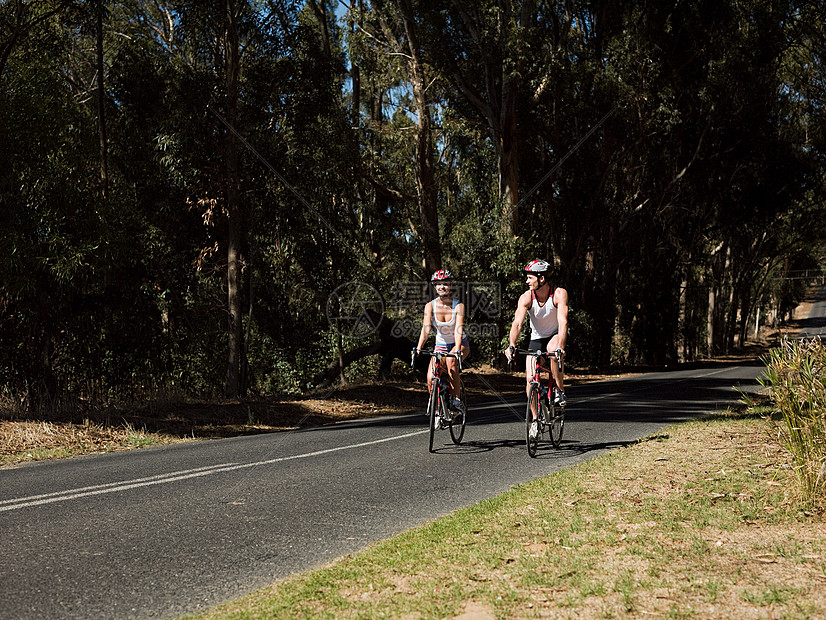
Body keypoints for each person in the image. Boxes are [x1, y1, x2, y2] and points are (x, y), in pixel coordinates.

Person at [504, 259, 569, 438]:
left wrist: (561, 346)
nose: (527, 281)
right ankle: (535, 420)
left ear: (541, 279)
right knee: (530, 378)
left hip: (555, 335)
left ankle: (559, 391)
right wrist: (512, 345)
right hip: (536, 338)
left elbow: (563, 322)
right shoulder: (526, 297)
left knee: (554, 350)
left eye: (530, 277)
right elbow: (517, 323)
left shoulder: (559, 294)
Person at [413, 270, 470, 422]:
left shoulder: (458, 306)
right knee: (431, 377)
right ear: (435, 287)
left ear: (450, 285)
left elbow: (458, 330)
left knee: (451, 362)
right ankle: (438, 411)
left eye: (445, 283)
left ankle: (457, 400)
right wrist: (419, 348)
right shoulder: (429, 306)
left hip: (459, 343)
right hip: (440, 345)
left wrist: (457, 349)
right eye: (438, 284)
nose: (442, 287)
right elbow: (426, 330)